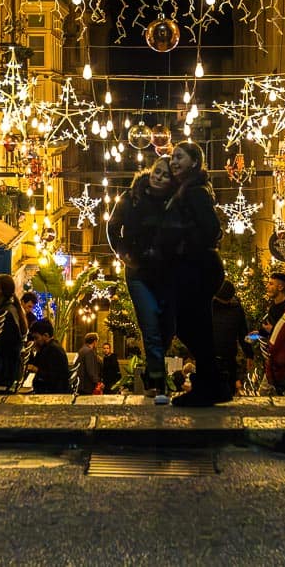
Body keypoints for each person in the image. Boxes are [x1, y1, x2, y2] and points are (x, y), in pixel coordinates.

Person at [156, 140, 228, 407]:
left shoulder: (195, 191)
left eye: (179, 157)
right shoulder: (187, 188)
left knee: (189, 325)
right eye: (172, 157)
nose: (173, 162)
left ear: (194, 162)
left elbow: (210, 229)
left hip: (198, 267)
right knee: (198, 327)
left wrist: (183, 245)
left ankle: (208, 386)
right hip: (195, 267)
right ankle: (213, 384)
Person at [106, 156, 176, 402]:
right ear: (151, 171)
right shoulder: (131, 197)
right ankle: (158, 386)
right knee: (151, 328)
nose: (159, 177)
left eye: (165, 175)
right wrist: (123, 253)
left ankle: (150, 372)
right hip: (138, 273)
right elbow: (113, 227)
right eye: (158, 172)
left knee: (168, 326)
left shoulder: (174, 201)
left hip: (167, 274)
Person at [0, 273, 27, 392]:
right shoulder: (12, 309)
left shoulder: (6, 313)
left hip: (4, 370)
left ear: (0, 291)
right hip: (10, 366)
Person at [211, 280, 250, 396]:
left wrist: (249, 354)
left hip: (228, 360)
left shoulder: (236, 309)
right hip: (210, 359)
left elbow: (243, 333)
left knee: (228, 394)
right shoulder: (207, 306)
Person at [25, 319, 71, 394]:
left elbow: (53, 377)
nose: (35, 341)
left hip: (53, 394)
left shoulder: (53, 350)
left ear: (46, 335)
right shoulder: (46, 347)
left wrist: (35, 369)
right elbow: (35, 363)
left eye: (36, 338)